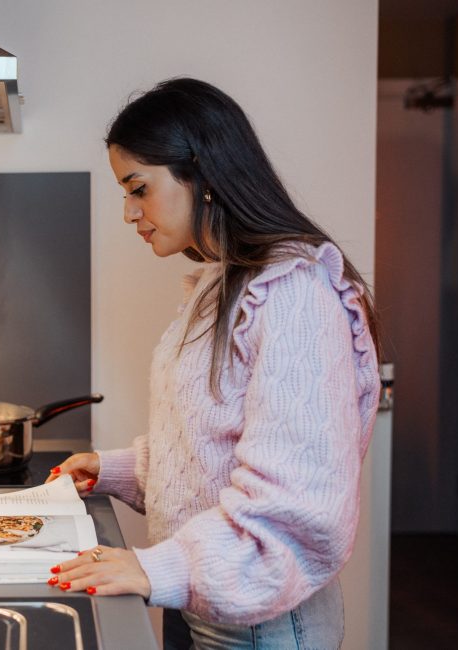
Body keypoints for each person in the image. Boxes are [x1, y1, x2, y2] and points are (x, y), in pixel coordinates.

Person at [45, 77, 381, 649]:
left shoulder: (292, 294)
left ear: (199, 175)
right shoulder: (223, 282)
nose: (130, 212)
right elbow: (206, 447)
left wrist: (156, 569)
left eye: (138, 188)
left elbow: (297, 506)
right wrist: (117, 470)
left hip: (265, 623)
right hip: (202, 597)